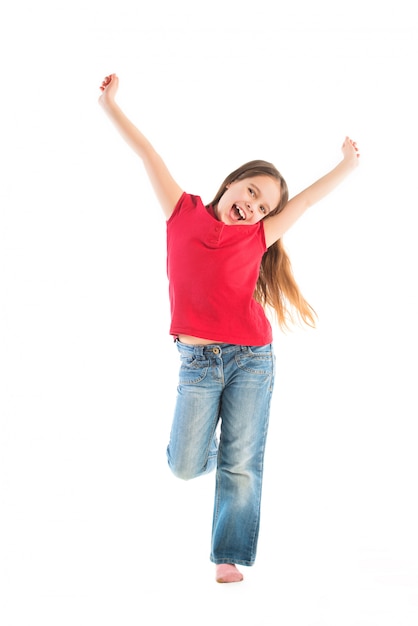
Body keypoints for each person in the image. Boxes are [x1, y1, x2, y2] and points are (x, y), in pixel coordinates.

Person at [98, 73, 360, 583]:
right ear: (232, 181)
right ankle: (231, 457)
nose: (254, 208)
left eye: (264, 207)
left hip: (251, 359)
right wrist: (110, 104)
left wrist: (346, 166)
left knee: (242, 464)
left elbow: (303, 201)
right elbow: (147, 152)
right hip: (197, 362)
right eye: (252, 192)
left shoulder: (257, 237)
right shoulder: (183, 211)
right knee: (184, 465)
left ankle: (228, 556)